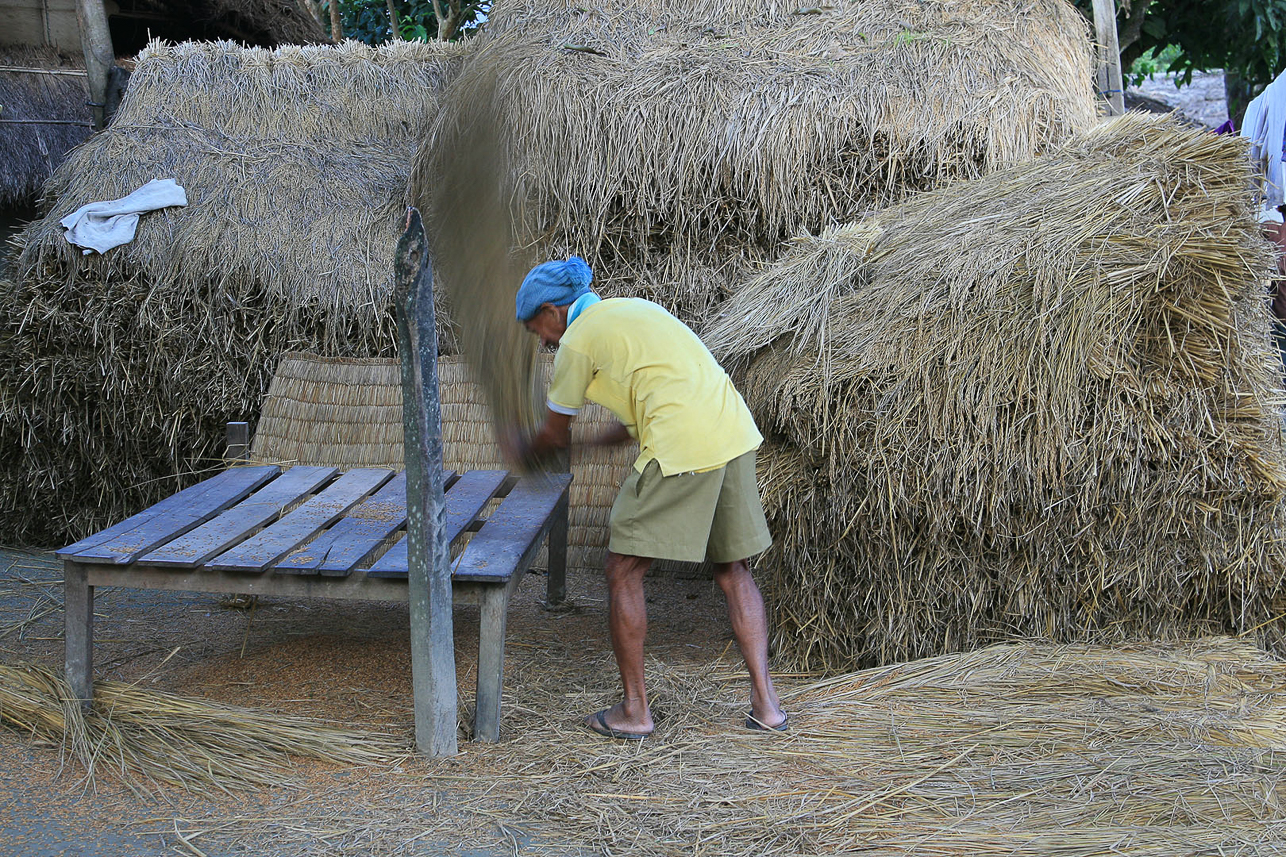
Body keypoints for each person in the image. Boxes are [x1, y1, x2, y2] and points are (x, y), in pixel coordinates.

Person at [505, 256, 787, 739]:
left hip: (683, 443)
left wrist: (521, 450)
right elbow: (627, 423)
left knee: (622, 569)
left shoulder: (577, 339)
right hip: (733, 433)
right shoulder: (631, 312)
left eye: (538, 331)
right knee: (733, 569)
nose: (545, 343)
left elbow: (553, 434)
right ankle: (768, 708)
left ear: (553, 312)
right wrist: (587, 446)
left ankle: (635, 712)